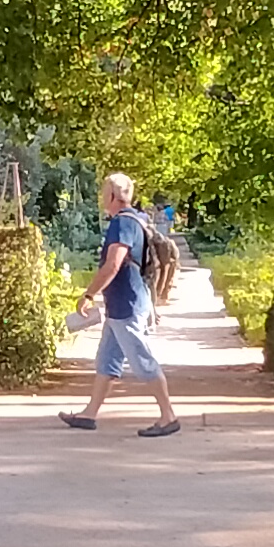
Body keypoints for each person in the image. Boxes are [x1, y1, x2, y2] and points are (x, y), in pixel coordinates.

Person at [63, 171, 181, 437]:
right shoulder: (138, 220)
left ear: (113, 196)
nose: (102, 198)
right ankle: (89, 414)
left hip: (127, 304)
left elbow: (113, 264)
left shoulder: (122, 224)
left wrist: (89, 294)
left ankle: (168, 416)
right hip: (121, 305)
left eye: (104, 193)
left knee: (142, 359)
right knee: (107, 360)